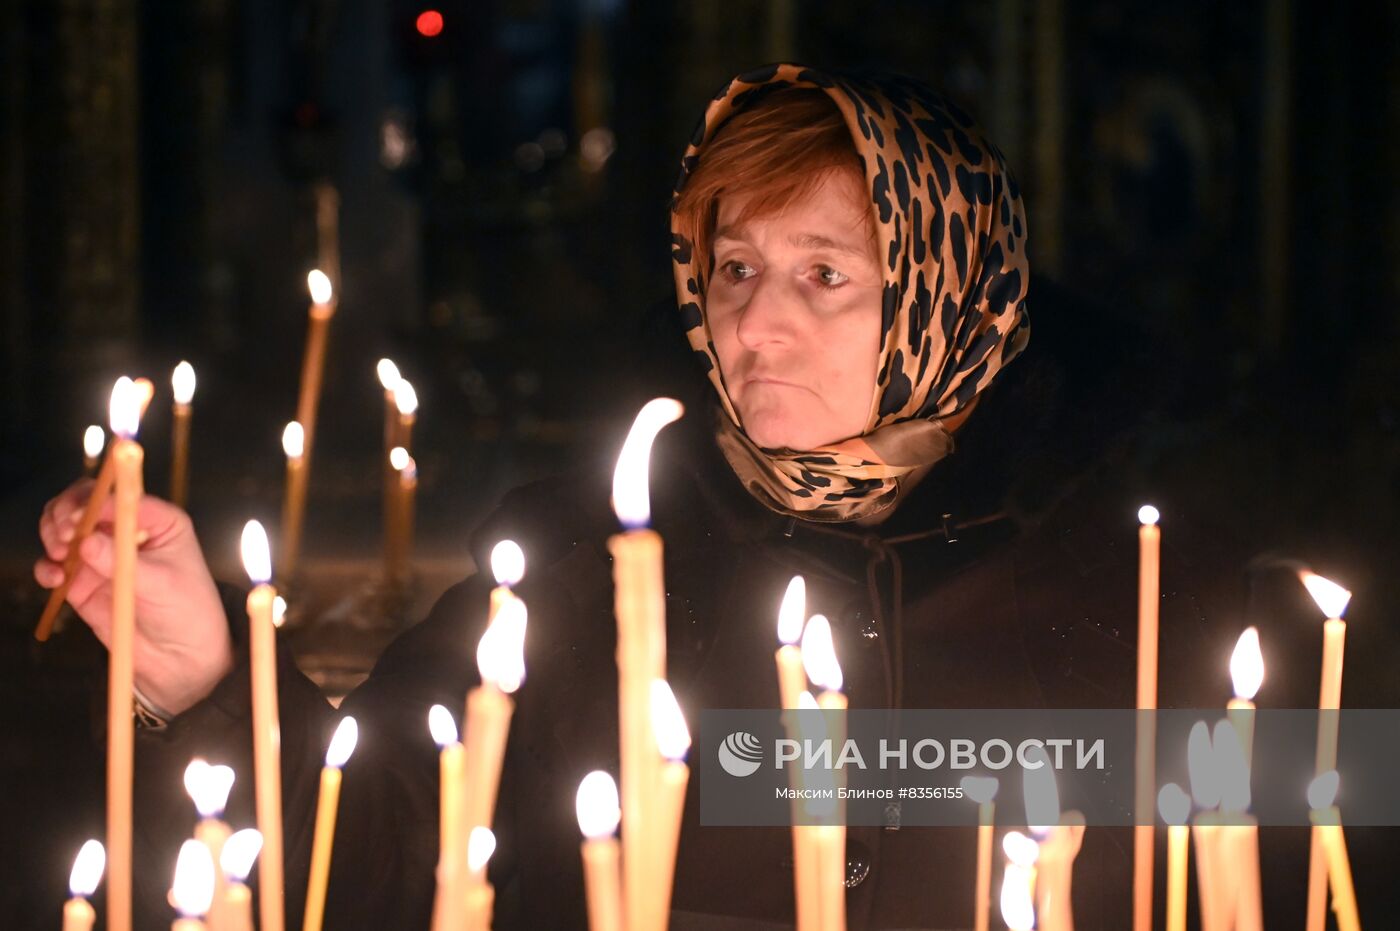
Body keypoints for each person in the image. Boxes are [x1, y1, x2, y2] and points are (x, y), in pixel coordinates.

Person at [37, 64, 1209, 928]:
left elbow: (1244, 853)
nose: (754, 323)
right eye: (734, 266)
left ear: (944, 298)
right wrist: (202, 678)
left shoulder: (1123, 575)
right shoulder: (584, 559)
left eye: (823, 274)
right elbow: (376, 848)